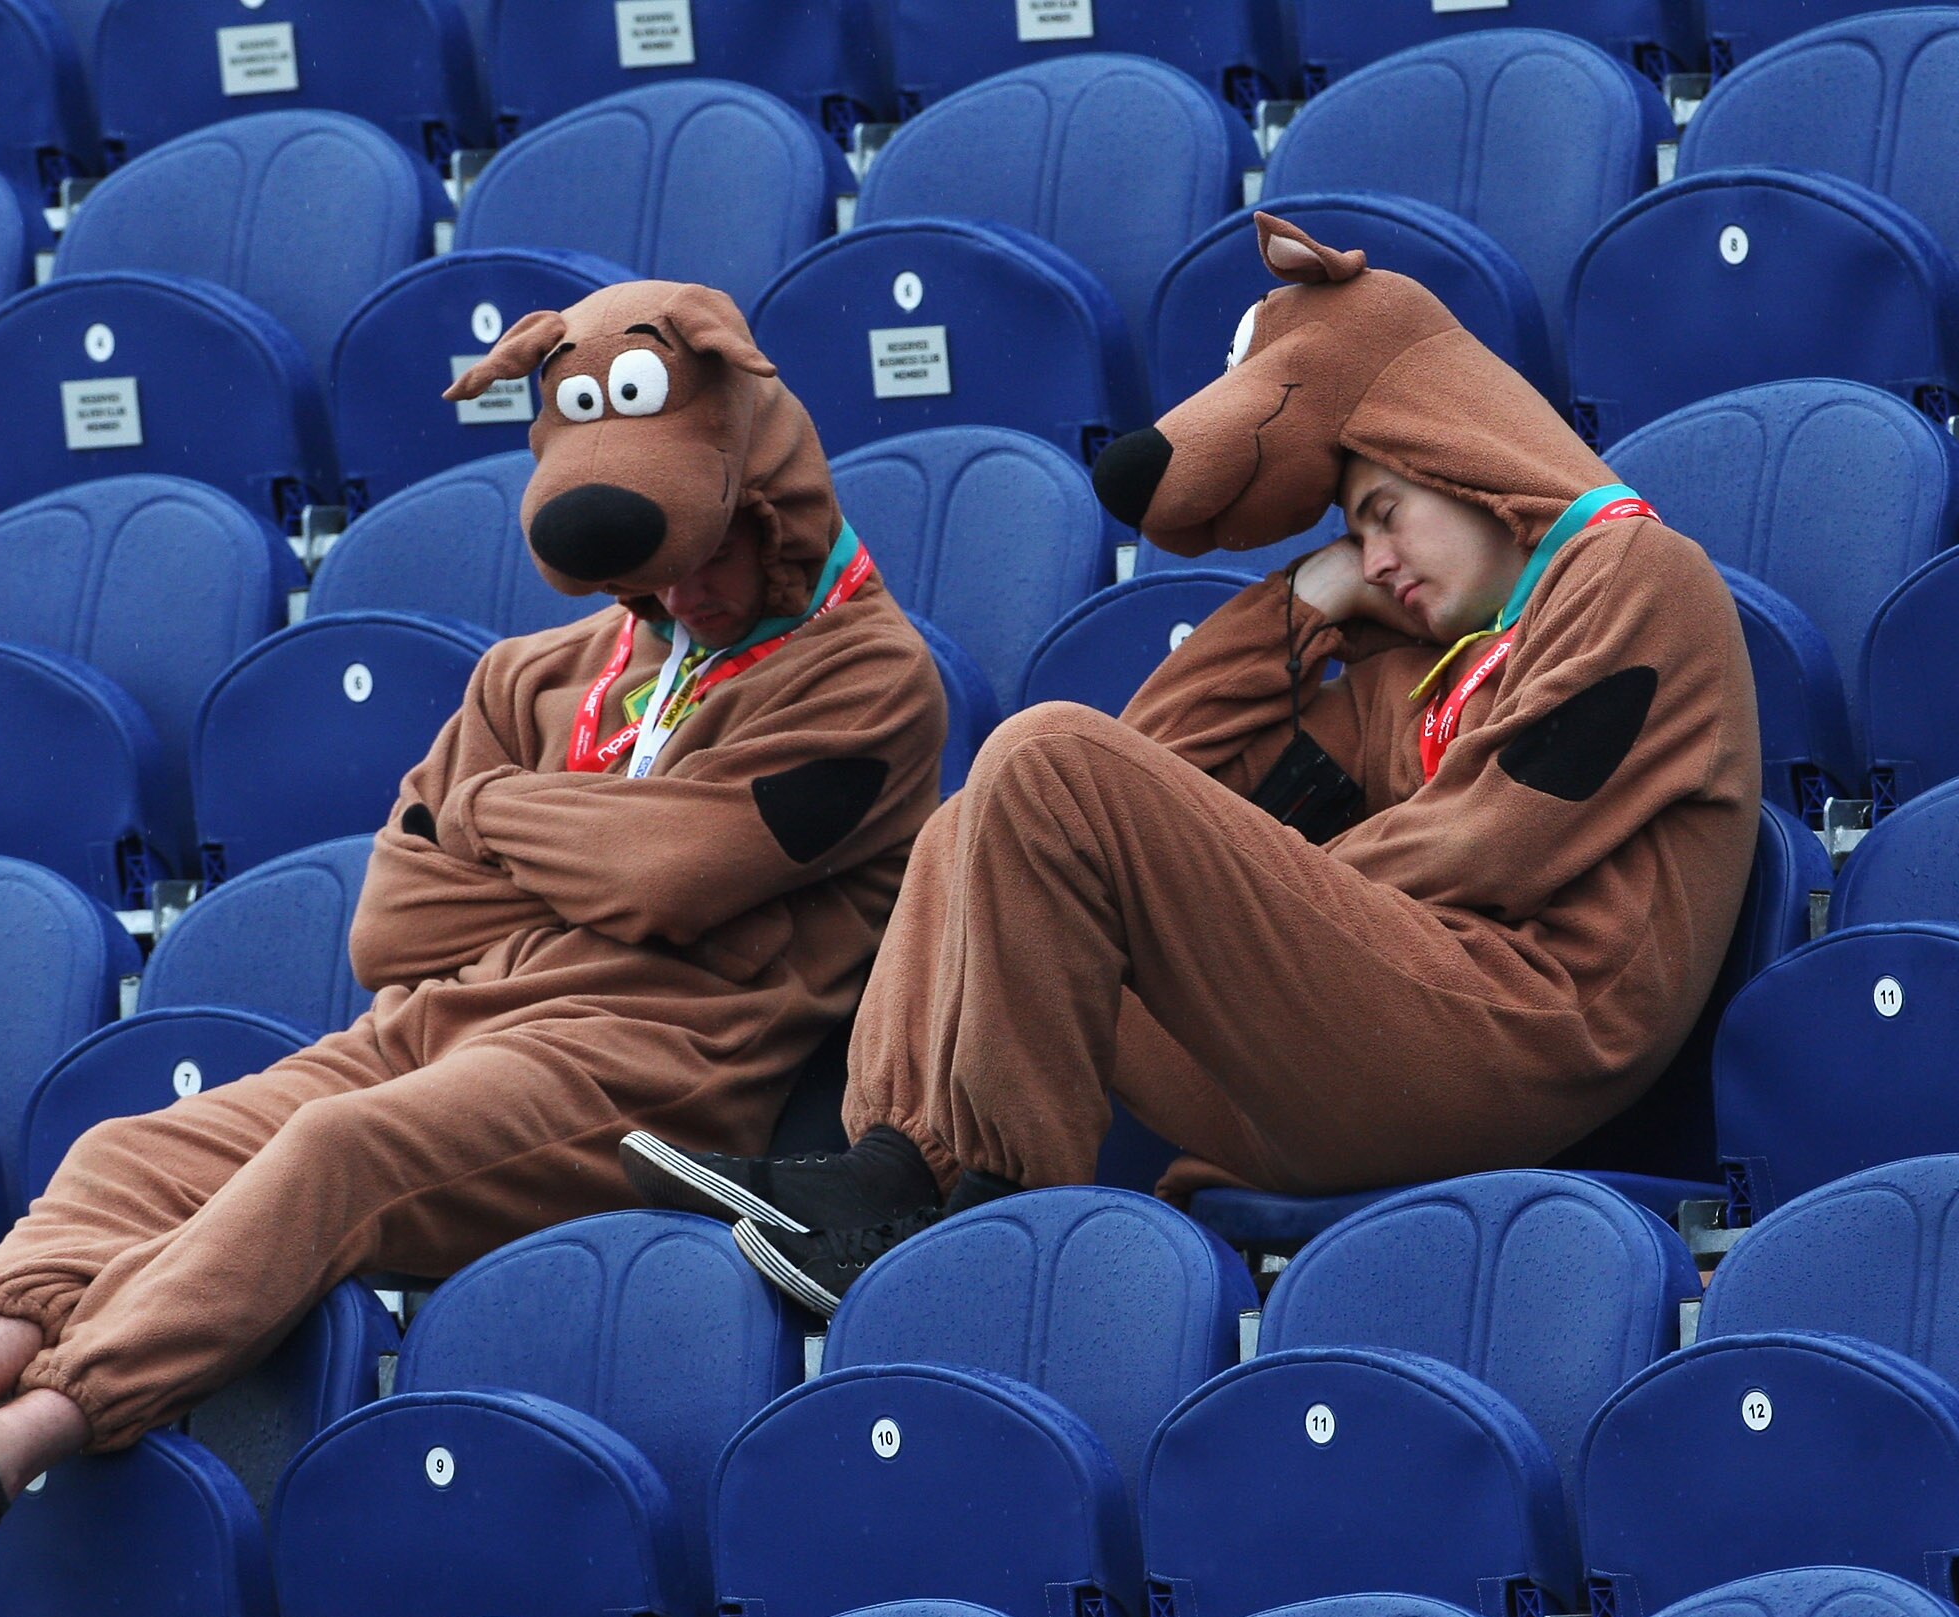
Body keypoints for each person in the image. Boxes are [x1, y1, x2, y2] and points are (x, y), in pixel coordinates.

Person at [0, 282, 947, 1592]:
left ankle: (5, 1449)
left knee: (336, 1149)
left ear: (765, 505)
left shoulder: (867, 674)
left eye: (712, 550)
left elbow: (674, 877)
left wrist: (492, 812)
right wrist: (579, 854)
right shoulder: (536, 673)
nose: (683, 584)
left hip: (651, 1077)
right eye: (651, 566)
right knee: (131, 1145)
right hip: (440, 1020)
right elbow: (402, 920)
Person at [625, 213, 1762, 1313]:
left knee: (1049, 755)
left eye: (1381, 513)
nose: (1373, 558)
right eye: (1353, 534)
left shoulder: (1635, 576)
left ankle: (984, 1224)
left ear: (1458, 457)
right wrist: (1302, 603)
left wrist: (1264, 889)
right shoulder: (1398, 674)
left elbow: (1498, 841)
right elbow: (1148, 775)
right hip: (1388, 1032)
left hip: (1529, 1027)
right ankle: (892, 1164)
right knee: (978, 824)